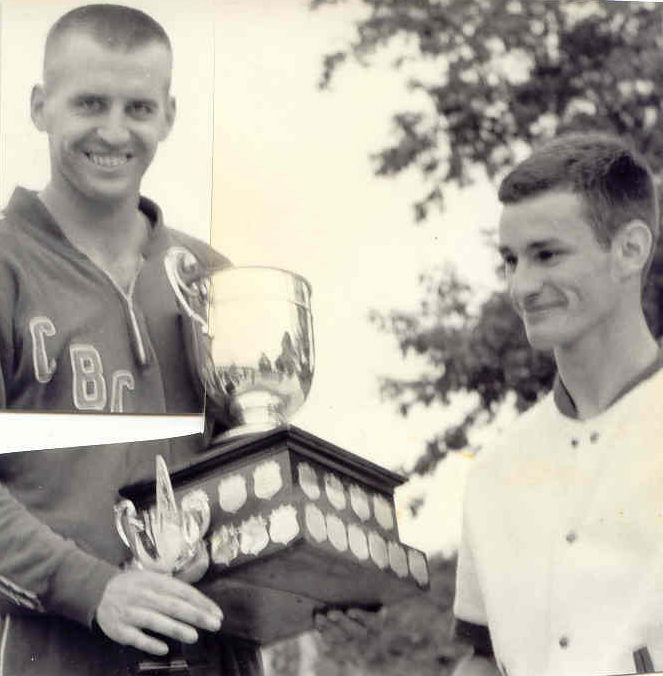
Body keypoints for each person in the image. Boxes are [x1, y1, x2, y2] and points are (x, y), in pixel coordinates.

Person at [0, 5, 263, 675]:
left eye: (139, 108)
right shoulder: (6, 266)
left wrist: (307, 573)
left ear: (168, 116)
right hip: (51, 650)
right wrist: (94, 590)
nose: (114, 131)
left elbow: (249, 468)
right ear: (40, 106)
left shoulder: (209, 277)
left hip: (208, 649)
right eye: (90, 103)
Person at [451, 133, 663, 676]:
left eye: (547, 255)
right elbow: (482, 660)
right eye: (511, 260)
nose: (522, 286)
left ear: (630, 249)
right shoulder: (493, 471)